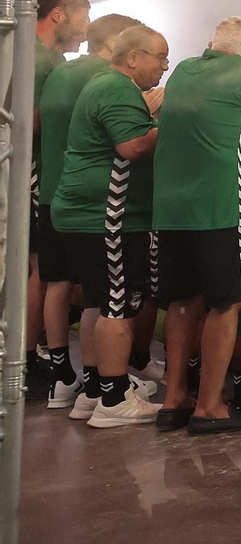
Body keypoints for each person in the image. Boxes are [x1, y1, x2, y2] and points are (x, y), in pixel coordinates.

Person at [152, 16, 241, 433]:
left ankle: (174, 398)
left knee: (182, 301)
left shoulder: (183, 69)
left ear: (212, 42)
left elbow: (217, 127)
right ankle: (209, 405)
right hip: (216, 206)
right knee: (225, 302)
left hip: (170, 206)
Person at [49, 25, 166, 426]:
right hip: (107, 216)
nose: (165, 67)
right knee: (118, 304)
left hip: (88, 214)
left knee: (100, 303)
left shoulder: (106, 85)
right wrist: (180, 125)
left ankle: (96, 389)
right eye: (160, 58)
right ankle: (115, 401)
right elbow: (132, 146)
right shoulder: (117, 88)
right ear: (132, 57)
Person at [35, 13, 142, 411]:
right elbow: (126, 138)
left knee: (57, 282)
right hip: (90, 200)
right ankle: (103, 383)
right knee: (104, 294)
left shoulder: (62, 71)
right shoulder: (107, 80)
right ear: (116, 42)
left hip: (51, 191)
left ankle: (63, 375)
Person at [24, 0, 91, 398]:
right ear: (59, 15)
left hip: (30, 174)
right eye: (84, 20)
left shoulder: (25, 51)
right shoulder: (44, 61)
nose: (85, 32)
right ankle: (29, 359)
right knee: (43, 272)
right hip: (34, 176)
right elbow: (26, 123)